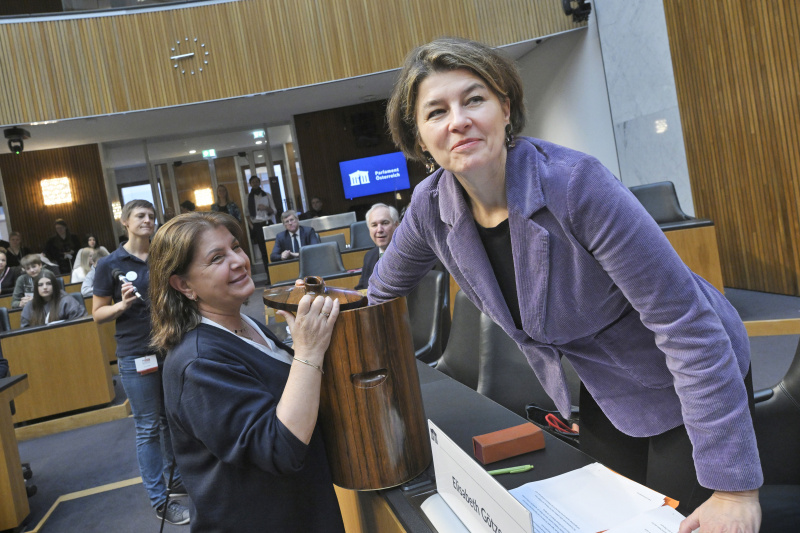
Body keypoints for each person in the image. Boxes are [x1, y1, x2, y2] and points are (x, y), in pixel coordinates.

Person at [372, 37, 762, 532]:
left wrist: (734, 488)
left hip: (691, 368)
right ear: (419, 139)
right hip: (604, 381)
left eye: (474, 99)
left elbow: (687, 324)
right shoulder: (430, 207)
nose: (458, 120)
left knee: (674, 524)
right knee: (601, 518)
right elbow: (378, 298)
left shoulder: (575, 185)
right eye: (436, 112)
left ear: (505, 108)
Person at [149, 211, 344, 532]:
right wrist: (308, 351)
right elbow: (280, 449)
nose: (238, 260)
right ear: (184, 285)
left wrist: (304, 344)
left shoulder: (244, 322)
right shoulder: (197, 362)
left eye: (236, 247)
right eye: (216, 258)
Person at [92, 200, 190, 526]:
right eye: (140, 216)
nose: (148, 220)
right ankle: (160, 500)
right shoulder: (110, 264)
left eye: (151, 216)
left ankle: (174, 479)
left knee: (169, 419)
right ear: (125, 222)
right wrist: (121, 306)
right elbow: (97, 314)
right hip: (136, 355)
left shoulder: (163, 255)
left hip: (170, 348)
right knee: (147, 427)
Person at [355, 203, 400, 290]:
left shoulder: (408, 254)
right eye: (374, 225)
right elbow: (361, 289)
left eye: (385, 223)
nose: (379, 230)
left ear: (396, 225)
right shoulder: (369, 256)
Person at [20, 270, 86, 327]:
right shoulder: (30, 306)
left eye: (48, 284)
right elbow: (25, 332)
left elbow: (80, 325)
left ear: (54, 285)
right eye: (40, 285)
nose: (45, 287)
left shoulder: (67, 301)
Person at [247, 176, 276, 273]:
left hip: (268, 224)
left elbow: (274, 211)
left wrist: (266, 208)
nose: (255, 183)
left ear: (259, 183)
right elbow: (247, 214)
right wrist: (252, 226)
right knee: (263, 252)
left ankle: (276, 272)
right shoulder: (248, 197)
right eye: (253, 182)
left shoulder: (267, 195)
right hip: (257, 226)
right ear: (250, 184)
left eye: (256, 181)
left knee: (272, 249)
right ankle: (268, 274)